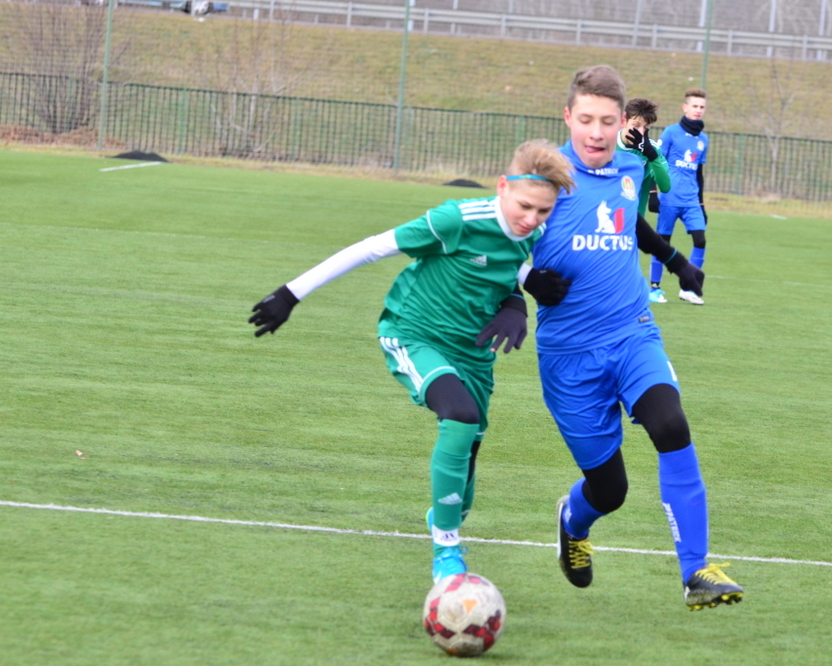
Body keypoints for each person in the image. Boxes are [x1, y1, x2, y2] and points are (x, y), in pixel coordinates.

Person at [248, 140, 576, 583]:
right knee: (458, 419)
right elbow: (372, 247)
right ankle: (446, 550)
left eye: (543, 212)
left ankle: (447, 518)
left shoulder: (530, 233)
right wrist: (292, 293)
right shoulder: (455, 219)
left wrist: (517, 299)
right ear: (502, 187)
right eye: (524, 206)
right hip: (414, 334)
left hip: (473, 353)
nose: (531, 220)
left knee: (463, 489)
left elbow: (503, 264)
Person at [522, 65, 742, 610]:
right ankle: (573, 522)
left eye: (607, 121)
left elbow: (628, 220)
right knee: (610, 491)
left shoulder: (629, 162)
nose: (596, 133)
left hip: (631, 333)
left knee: (671, 424)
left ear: (623, 122)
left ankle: (697, 572)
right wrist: (524, 280)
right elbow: (493, 242)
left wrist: (675, 261)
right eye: (586, 120)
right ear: (568, 117)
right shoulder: (542, 176)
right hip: (569, 356)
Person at [649, 88, 710, 305]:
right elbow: (656, 162)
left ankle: (689, 288)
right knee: (663, 242)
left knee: (700, 240)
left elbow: (699, 174)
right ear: (685, 107)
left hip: (691, 200)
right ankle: (654, 287)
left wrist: (702, 204)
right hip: (669, 198)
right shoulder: (670, 132)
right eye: (694, 106)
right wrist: (653, 193)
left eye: (702, 107)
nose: (698, 110)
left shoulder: (704, 139)